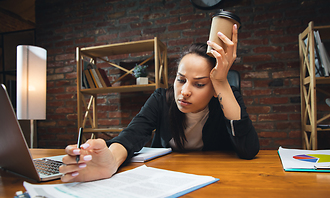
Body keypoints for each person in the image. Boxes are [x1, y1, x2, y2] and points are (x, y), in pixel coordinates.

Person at [60, 24, 259, 183]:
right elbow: (133, 134)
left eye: (199, 84)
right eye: (181, 80)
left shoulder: (227, 97)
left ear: (215, 86)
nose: (185, 91)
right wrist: (110, 162)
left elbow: (248, 149)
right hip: (166, 178)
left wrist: (221, 82)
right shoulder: (161, 99)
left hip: (218, 180)